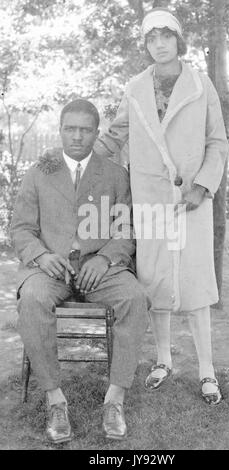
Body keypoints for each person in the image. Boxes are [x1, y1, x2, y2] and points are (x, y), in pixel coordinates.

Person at [94, 8, 229, 404]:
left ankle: (207, 371)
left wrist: (202, 187)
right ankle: (164, 360)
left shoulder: (201, 85)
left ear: (178, 40)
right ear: (146, 45)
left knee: (195, 282)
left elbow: (217, 144)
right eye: (151, 38)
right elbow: (115, 135)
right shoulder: (135, 87)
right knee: (155, 280)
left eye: (165, 36)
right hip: (151, 200)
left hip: (191, 200)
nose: (159, 44)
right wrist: (77, 160)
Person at [10, 99, 149, 443]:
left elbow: (126, 230)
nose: (76, 136)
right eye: (69, 129)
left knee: (134, 297)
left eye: (85, 130)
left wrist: (105, 259)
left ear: (96, 133)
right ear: (60, 130)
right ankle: (55, 399)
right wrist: (41, 256)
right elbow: (21, 229)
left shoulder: (116, 174)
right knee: (32, 298)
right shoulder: (39, 171)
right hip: (52, 268)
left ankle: (114, 399)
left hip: (99, 267)